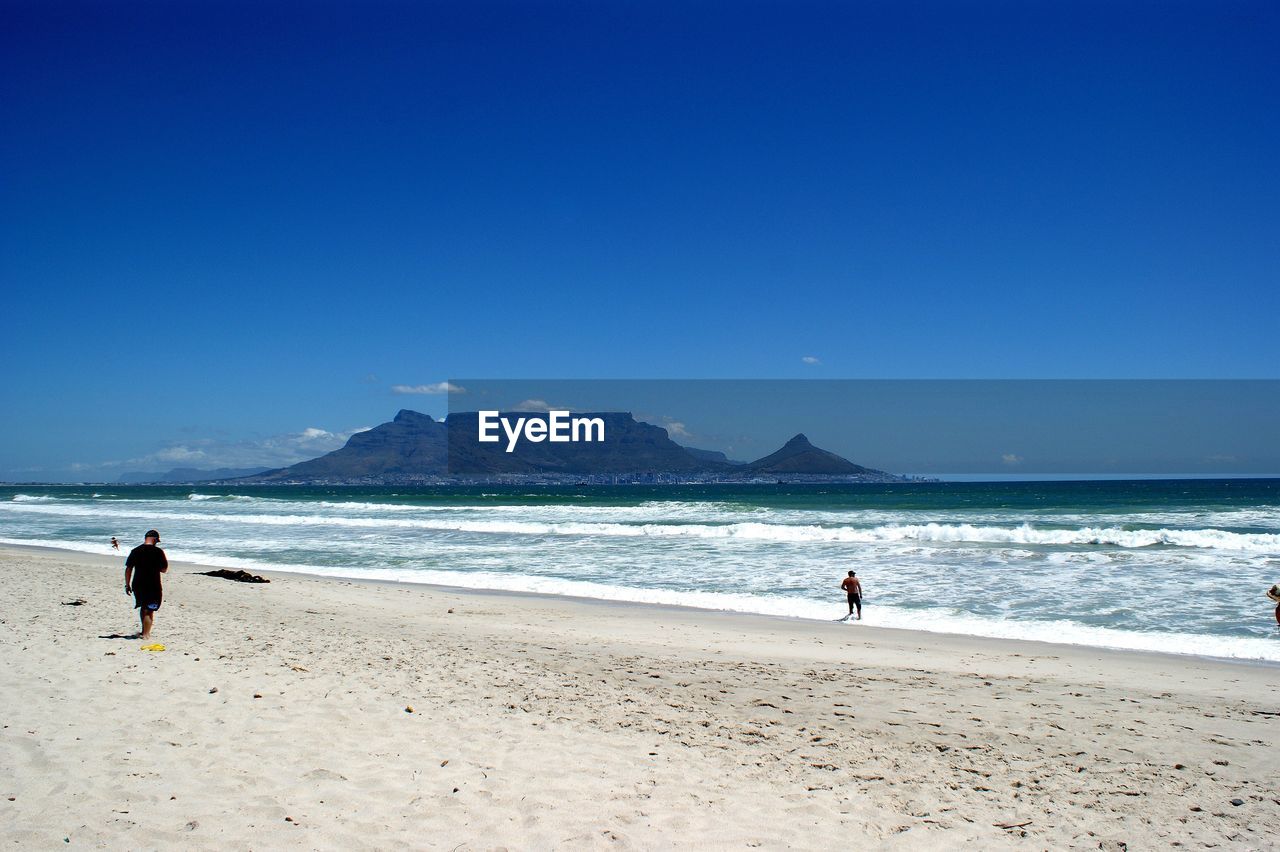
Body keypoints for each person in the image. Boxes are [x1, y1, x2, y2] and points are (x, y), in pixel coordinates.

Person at [125, 530, 168, 640]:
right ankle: (146, 634)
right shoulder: (158, 552)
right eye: (157, 541)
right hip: (153, 583)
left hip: (137, 583)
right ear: (154, 539)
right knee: (149, 609)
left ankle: (144, 631)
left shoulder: (135, 551)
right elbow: (164, 569)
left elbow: (128, 569)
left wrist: (127, 584)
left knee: (143, 607)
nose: (157, 543)